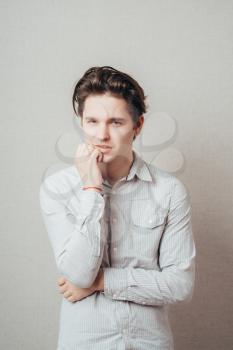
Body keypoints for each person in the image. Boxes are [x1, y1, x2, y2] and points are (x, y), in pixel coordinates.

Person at [39, 66, 196, 350]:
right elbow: (78, 274)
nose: (101, 135)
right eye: (92, 121)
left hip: (149, 343)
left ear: (138, 126)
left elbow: (179, 285)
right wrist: (91, 189)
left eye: (116, 122)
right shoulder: (57, 189)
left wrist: (101, 282)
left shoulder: (169, 191)